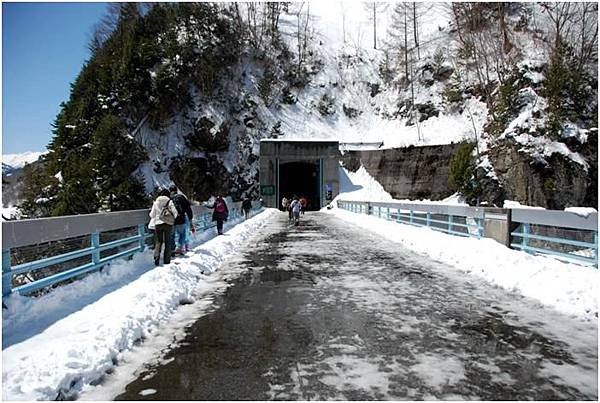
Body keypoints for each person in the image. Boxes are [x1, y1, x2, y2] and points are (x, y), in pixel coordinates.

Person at [149, 188, 178, 265]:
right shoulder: (169, 201)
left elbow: (151, 215)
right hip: (168, 224)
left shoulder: (156, 202)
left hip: (158, 224)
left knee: (159, 242)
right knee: (168, 242)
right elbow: (175, 213)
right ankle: (166, 261)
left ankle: (156, 258)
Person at [169, 185, 194, 255]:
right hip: (180, 219)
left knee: (171, 235)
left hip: (171, 220)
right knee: (182, 234)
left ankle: (171, 250)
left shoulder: (169, 198)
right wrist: (190, 218)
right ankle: (179, 247)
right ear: (176, 190)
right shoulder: (181, 197)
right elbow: (188, 208)